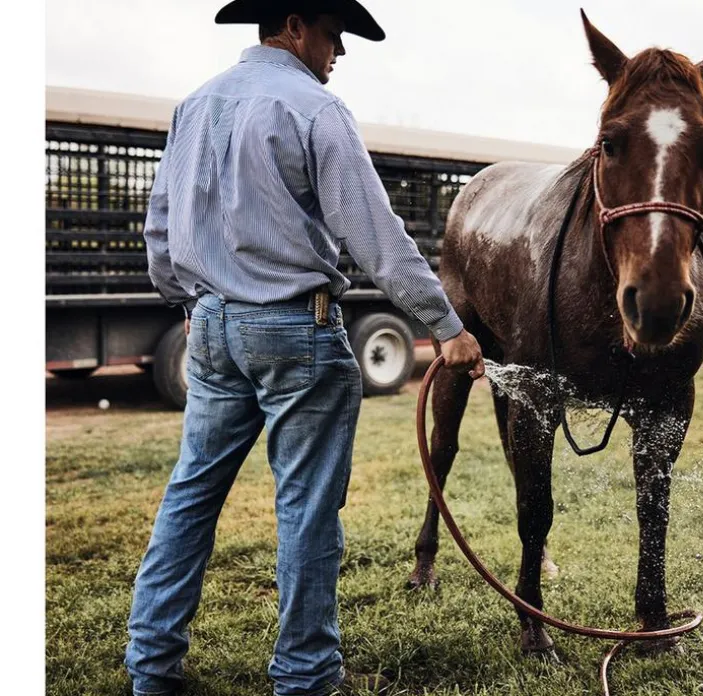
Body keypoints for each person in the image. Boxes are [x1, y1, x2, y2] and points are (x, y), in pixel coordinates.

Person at [124, 1, 485, 695]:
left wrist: (190, 304)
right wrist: (447, 327)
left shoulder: (194, 106)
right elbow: (376, 237)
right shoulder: (317, 109)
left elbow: (160, 229)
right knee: (307, 509)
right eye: (333, 34)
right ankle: (306, 677)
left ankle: (152, 668)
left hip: (212, 327)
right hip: (295, 330)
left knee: (190, 496)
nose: (338, 51)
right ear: (295, 26)